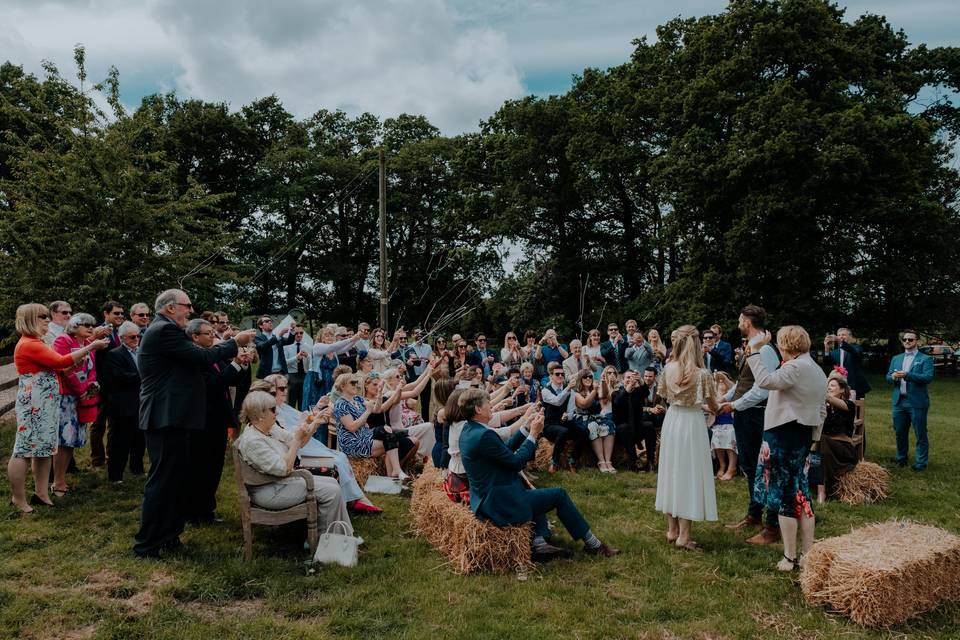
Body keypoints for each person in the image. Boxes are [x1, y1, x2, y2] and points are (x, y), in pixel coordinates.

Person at [133, 288, 255, 558]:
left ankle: (169, 536)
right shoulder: (164, 330)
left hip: (174, 417)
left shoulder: (165, 330)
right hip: (164, 417)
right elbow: (202, 356)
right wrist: (235, 341)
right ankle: (147, 544)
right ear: (170, 307)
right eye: (186, 306)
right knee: (163, 481)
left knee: (176, 480)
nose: (190, 310)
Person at [457, 388, 619, 559]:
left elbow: (503, 451)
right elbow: (515, 463)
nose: (491, 406)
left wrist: (526, 429)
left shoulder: (469, 430)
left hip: (485, 499)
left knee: (536, 495)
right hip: (500, 503)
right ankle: (593, 545)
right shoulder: (484, 435)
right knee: (559, 495)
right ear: (478, 409)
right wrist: (533, 436)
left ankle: (540, 544)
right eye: (487, 403)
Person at [9, 304, 108, 512]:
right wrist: (90, 346)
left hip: (46, 403)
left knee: (44, 450)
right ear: (30, 319)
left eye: (47, 316)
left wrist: (71, 366)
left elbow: (58, 367)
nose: (47, 320)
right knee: (24, 451)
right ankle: (18, 499)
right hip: (34, 405)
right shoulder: (29, 344)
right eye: (42, 316)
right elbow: (60, 360)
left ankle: (41, 493)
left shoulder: (38, 342)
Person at [746, 325, 827, 571]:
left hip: (783, 435)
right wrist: (815, 435)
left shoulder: (795, 367)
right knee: (801, 493)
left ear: (786, 345)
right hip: (802, 434)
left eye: (780, 344)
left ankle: (790, 557)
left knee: (785, 497)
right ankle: (808, 554)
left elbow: (765, 381)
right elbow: (821, 409)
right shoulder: (816, 369)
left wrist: (754, 351)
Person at [235, 391, 352, 539]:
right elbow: (284, 469)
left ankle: (342, 537)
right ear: (260, 415)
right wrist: (296, 441)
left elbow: (298, 441)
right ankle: (325, 541)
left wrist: (313, 423)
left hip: (280, 483)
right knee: (331, 491)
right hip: (269, 492)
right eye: (272, 409)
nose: (276, 412)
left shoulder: (269, 429)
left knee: (333, 484)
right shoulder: (254, 441)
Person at [263, 374, 382, 514]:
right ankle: (353, 500)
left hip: (307, 445)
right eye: (282, 388)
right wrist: (314, 422)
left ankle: (354, 499)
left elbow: (303, 419)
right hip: (299, 454)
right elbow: (296, 435)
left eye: (285, 387)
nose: (286, 391)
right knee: (336, 461)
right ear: (271, 391)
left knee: (341, 457)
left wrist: (317, 409)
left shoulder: (283, 407)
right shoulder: (273, 413)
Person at [718, 305, 782, 545]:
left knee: (761, 467)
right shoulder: (753, 346)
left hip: (756, 414)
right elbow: (745, 380)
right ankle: (754, 514)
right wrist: (725, 398)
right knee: (749, 464)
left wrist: (735, 406)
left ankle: (769, 522)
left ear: (747, 321)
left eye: (740, 319)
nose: (738, 322)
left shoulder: (764, 350)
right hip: (746, 412)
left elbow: (762, 389)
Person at [655, 325, 719, 551]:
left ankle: (672, 530)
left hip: (673, 420)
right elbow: (714, 406)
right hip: (691, 423)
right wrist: (714, 406)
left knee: (672, 471)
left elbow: (664, 395)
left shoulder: (668, 367)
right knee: (688, 474)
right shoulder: (702, 374)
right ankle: (684, 536)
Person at [186, 318, 242, 525]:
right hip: (202, 420)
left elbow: (229, 380)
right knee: (199, 467)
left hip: (219, 417)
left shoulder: (213, 355)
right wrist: (235, 364)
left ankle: (207, 509)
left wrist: (240, 365)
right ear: (194, 337)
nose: (213, 336)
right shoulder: (195, 359)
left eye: (212, 333)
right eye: (208, 333)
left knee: (214, 467)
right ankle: (192, 513)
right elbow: (213, 384)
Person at [51, 313, 102, 496]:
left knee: (71, 440)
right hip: (66, 397)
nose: (90, 327)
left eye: (92, 324)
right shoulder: (63, 341)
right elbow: (64, 369)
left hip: (82, 397)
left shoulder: (88, 344)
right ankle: (57, 481)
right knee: (63, 439)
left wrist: (89, 387)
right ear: (74, 325)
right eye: (86, 324)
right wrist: (80, 389)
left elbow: (92, 370)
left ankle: (61, 478)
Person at [335, 374, 414, 480]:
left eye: (356, 382)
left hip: (365, 435)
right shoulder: (340, 404)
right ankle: (395, 472)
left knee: (392, 432)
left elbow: (377, 409)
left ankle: (395, 472)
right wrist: (367, 411)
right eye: (352, 383)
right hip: (353, 443)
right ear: (342, 386)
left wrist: (380, 393)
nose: (356, 385)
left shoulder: (357, 399)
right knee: (390, 438)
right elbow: (352, 427)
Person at [100, 321, 145, 483]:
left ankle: (137, 468)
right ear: (122, 338)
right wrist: (143, 375)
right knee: (120, 442)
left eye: (138, 336)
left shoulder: (141, 352)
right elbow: (118, 378)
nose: (136, 339)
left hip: (141, 402)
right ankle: (115, 476)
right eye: (132, 337)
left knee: (140, 439)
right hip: (123, 404)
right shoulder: (114, 354)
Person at [886, 329, 934, 471]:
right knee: (900, 432)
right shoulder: (896, 358)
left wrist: (907, 375)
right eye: (905, 339)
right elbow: (888, 376)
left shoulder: (925, 359)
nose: (907, 342)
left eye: (911, 339)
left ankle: (921, 463)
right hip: (899, 401)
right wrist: (893, 377)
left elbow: (927, 378)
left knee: (920, 433)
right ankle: (901, 459)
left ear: (917, 341)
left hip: (917, 402)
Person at [815, 372, 858, 502]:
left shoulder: (849, 405)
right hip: (825, 448)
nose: (829, 388)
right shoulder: (824, 407)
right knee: (819, 442)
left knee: (821, 442)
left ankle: (821, 493)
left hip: (843, 449)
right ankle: (821, 491)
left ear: (842, 389)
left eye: (832, 386)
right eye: (828, 386)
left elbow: (831, 399)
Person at [541, 362, 587, 473]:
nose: (561, 376)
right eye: (557, 374)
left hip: (564, 423)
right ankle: (554, 462)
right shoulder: (545, 391)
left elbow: (571, 411)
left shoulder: (570, 391)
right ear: (551, 376)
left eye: (562, 374)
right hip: (550, 425)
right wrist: (567, 389)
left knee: (584, 431)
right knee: (563, 431)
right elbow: (557, 401)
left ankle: (573, 460)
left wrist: (568, 416)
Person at [304, 325, 361, 408]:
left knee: (330, 404)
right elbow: (331, 347)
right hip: (317, 382)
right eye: (326, 336)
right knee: (316, 405)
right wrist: (351, 339)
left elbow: (345, 348)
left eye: (331, 335)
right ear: (321, 338)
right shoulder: (317, 347)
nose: (329, 337)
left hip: (331, 381)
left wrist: (356, 339)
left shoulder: (333, 351)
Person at [823, 328, 871, 400]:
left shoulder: (857, 348)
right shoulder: (834, 352)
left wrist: (840, 341)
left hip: (855, 384)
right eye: (839, 335)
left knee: (856, 408)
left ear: (850, 337)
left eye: (843, 335)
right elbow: (826, 363)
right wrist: (826, 349)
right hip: (838, 384)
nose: (841, 336)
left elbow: (854, 352)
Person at [711, 372, 738, 481]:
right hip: (717, 424)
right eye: (720, 381)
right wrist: (717, 382)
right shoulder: (715, 394)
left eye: (724, 381)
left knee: (729, 434)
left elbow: (734, 387)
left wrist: (724, 378)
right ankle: (722, 465)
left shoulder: (733, 394)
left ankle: (732, 467)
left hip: (731, 424)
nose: (722, 383)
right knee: (716, 434)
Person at [254, 315, 295, 380]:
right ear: (260, 326)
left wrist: (292, 331)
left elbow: (289, 341)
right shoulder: (258, 338)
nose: (270, 322)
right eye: (267, 321)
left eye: (271, 321)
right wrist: (278, 336)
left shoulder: (277, 337)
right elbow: (263, 346)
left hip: (281, 373)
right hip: (267, 374)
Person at [405, 328, 434, 421]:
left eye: (421, 333)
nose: (419, 335)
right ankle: (413, 422)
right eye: (416, 333)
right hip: (413, 378)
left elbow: (431, 361)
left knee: (425, 403)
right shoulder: (409, 347)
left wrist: (430, 361)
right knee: (412, 402)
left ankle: (425, 422)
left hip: (425, 378)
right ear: (412, 335)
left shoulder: (428, 347)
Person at [284, 326, 311, 410]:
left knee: (303, 403)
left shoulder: (308, 346)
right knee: (291, 402)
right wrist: (296, 358)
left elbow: (312, 362)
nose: (299, 335)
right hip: (292, 376)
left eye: (301, 333)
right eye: (296, 333)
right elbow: (284, 363)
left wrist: (308, 356)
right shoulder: (287, 346)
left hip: (304, 375)